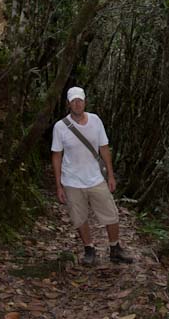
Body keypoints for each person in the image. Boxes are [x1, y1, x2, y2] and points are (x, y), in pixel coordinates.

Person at [51, 86, 133, 266]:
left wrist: (110, 175)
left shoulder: (95, 121)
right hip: (72, 180)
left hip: (95, 177)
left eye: (80, 100)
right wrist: (58, 185)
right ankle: (89, 249)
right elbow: (57, 155)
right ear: (68, 104)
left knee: (111, 214)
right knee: (79, 217)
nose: (77, 103)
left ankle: (115, 248)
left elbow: (104, 148)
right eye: (73, 101)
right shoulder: (60, 127)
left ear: (85, 101)